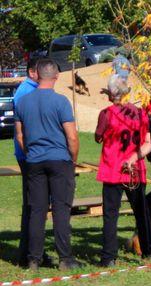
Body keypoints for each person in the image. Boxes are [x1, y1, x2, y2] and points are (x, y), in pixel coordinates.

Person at [14, 58, 82, 271]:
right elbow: (72, 136)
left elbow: (19, 135)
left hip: (34, 160)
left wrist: (30, 153)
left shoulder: (23, 101)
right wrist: (73, 159)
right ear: (56, 76)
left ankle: (33, 259)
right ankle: (65, 258)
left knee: (37, 211)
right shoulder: (60, 101)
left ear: (37, 74)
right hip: (59, 160)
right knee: (61, 209)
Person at [94, 75, 151, 266]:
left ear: (111, 94)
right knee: (141, 212)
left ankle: (108, 256)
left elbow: (98, 136)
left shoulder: (107, 114)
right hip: (135, 168)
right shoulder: (140, 113)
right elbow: (148, 141)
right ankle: (149, 251)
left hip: (113, 169)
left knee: (111, 215)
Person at [12, 57, 53, 267]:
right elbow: (25, 128)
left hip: (29, 154)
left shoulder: (25, 90)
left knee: (34, 205)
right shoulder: (27, 92)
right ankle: (30, 253)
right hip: (30, 155)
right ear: (31, 72)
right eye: (40, 71)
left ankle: (29, 252)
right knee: (34, 205)